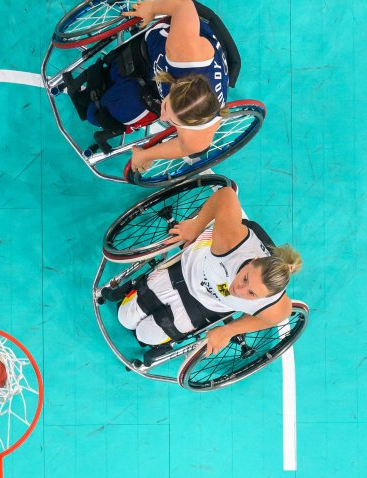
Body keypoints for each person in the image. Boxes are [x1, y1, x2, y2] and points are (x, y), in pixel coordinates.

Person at [116, 186, 301, 355]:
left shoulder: (271, 305)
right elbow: (226, 195)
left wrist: (229, 330)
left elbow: (281, 314)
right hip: (183, 273)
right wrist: (195, 226)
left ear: (263, 298)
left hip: (203, 308)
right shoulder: (231, 241)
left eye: (251, 293)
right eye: (245, 279)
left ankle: (164, 339)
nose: (239, 290)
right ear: (254, 261)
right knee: (124, 317)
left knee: (144, 335)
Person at [89, 0, 230, 174]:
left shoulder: (200, 134)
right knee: (109, 79)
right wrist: (151, 8)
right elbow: (183, 5)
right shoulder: (183, 51)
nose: (163, 118)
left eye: (172, 121)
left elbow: (184, 146)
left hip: (163, 72)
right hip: (166, 43)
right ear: (177, 85)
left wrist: (147, 155)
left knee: (98, 115)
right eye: (165, 107)